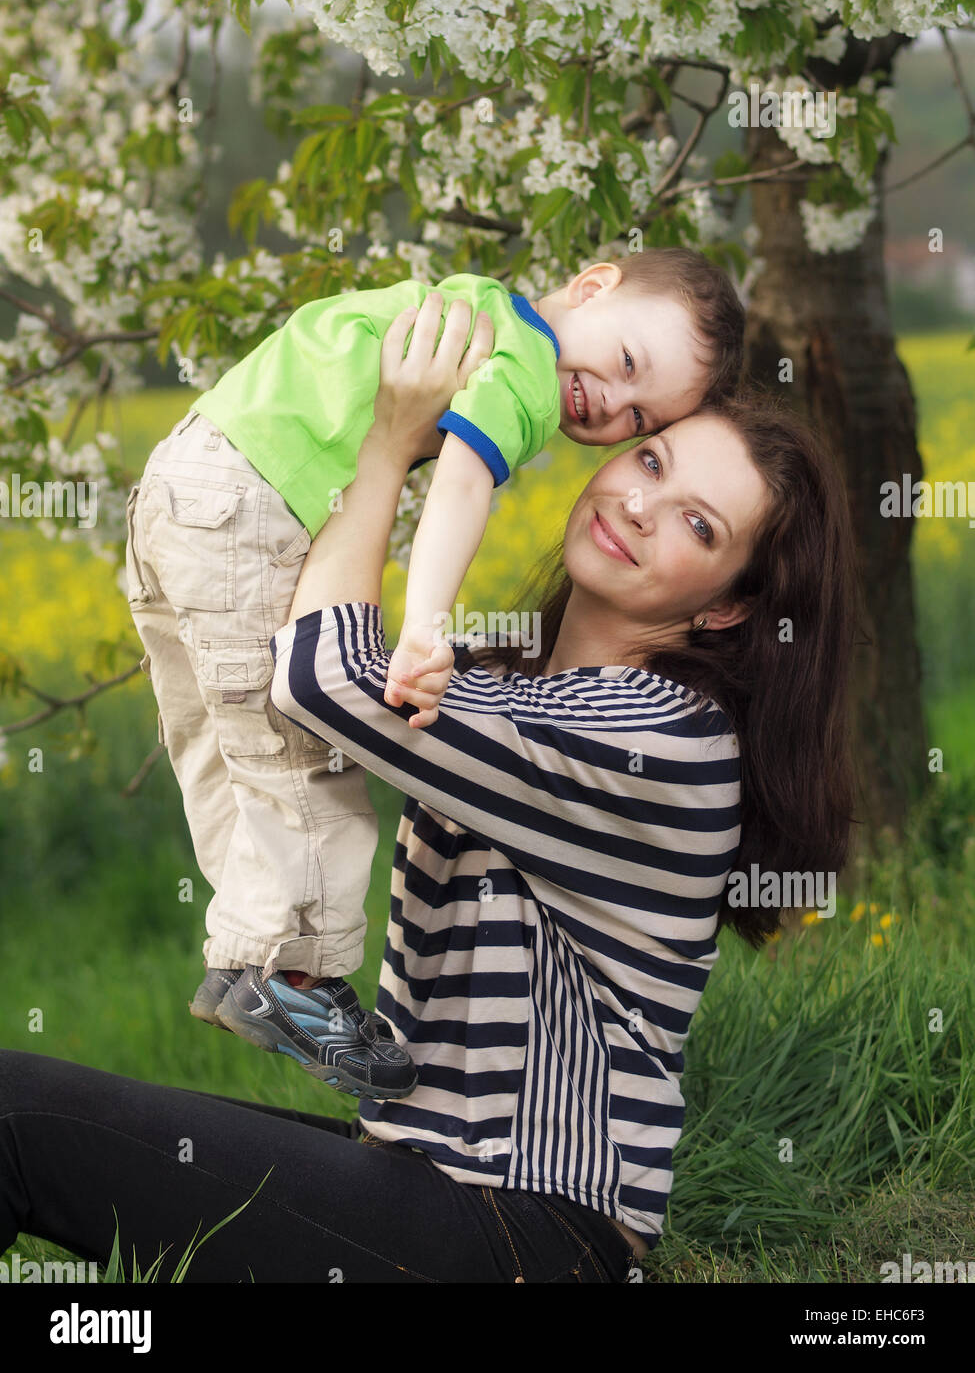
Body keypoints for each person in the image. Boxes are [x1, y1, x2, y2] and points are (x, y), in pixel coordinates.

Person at [0, 292, 858, 1282]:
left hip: (522, 1230)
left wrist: (390, 439)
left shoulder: (661, 741)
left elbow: (320, 675)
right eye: (651, 461)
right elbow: (294, 642)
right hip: (422, 1179)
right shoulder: (502, 679)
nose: (640, 504)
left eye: (698, 525)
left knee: (16, 1117)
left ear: (727, 607)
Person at [124, 248, 746, 1101]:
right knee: (304, 758)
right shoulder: (524, 365)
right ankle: (295, 979)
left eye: (637, 418)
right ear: (591, 285)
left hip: (180, 478)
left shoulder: (471, 302)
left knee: (218, 744)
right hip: (253, 500)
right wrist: (423, 627)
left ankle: (242, 960)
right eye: (627, 364)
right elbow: (458, 486)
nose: (608, 401)